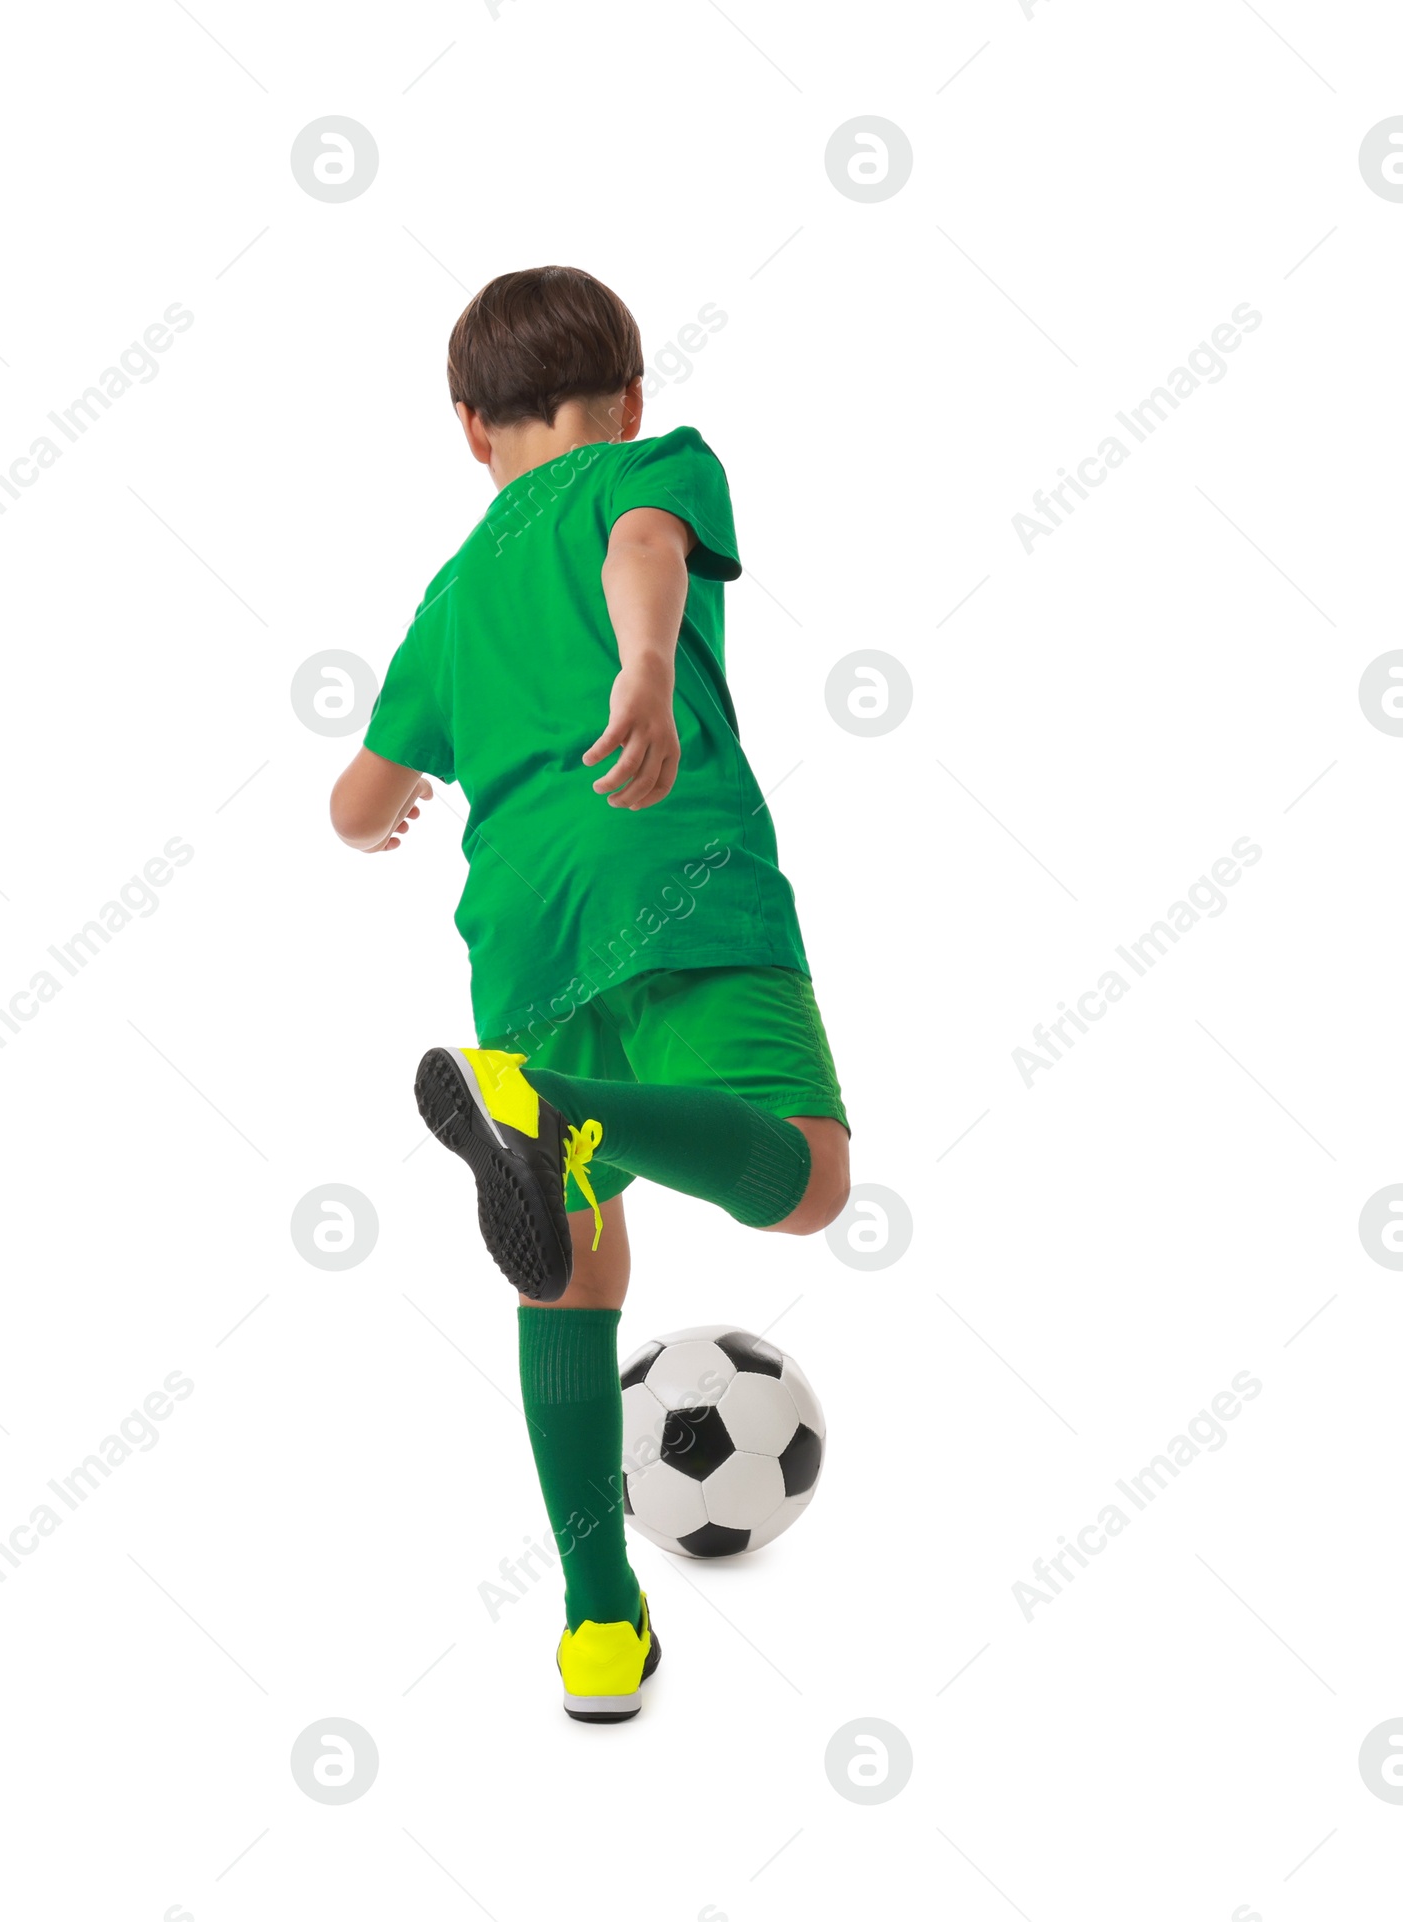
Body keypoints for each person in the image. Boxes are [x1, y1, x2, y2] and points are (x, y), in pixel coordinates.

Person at [329, 266, 849, 1722]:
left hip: (521, 942)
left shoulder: (450, 592)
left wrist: (377, 815)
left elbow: (358, 796)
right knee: (805, 1181)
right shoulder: (649, 465)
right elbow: (641, 549)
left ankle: (598, 1627)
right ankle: (555, 1111)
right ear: (627, 396)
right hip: (674, 869)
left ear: (467, 428)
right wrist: (639, 665)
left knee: (571, 1269)